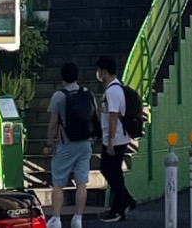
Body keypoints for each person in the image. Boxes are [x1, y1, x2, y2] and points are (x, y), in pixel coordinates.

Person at [44, 63, 95, 228]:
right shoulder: (87, 93)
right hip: (85, 144)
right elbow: (95, 116)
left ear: (62, 77)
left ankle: (56, 219)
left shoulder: (59, 96)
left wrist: (49, 144)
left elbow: (53, 124)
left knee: (58, 183)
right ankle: (78, 218)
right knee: (82, 182)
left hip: (67, 144)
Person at [96, 55, 136, 223]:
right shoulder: (117, 89)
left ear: (104, 72)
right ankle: (122, 204)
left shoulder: (112, 91)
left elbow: (113, 117)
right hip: (118, 138)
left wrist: (110, 142)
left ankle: (123, 204)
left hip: (115, 139)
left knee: (109, 171)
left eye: (99, 70)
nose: (98, 74)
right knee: (114, 173)